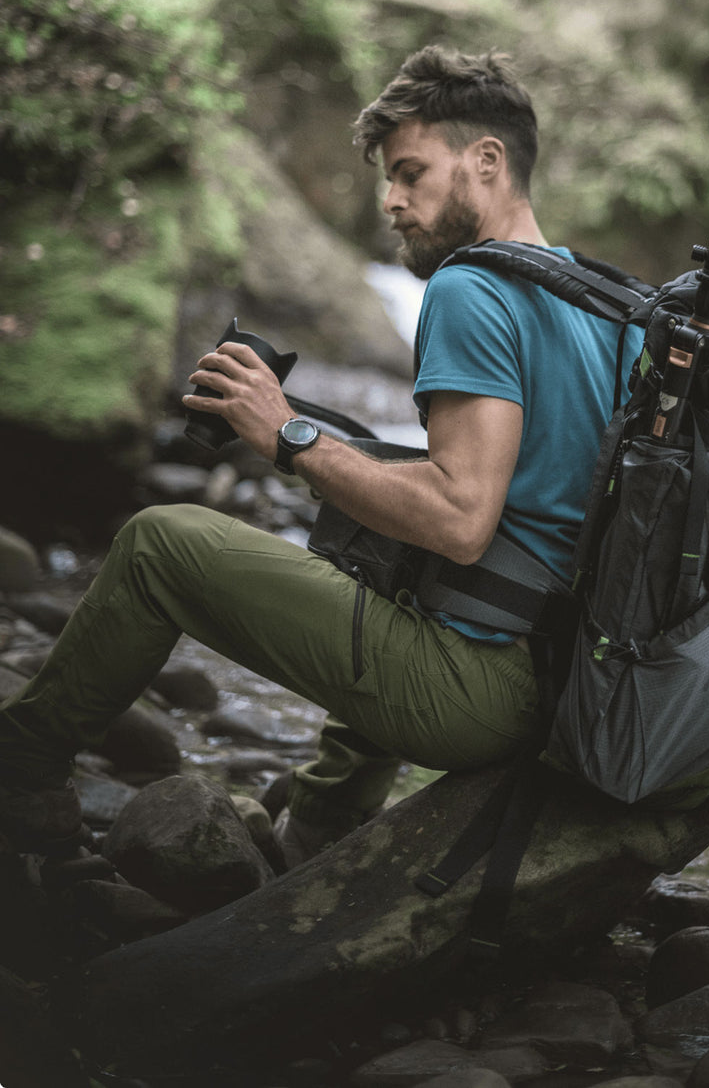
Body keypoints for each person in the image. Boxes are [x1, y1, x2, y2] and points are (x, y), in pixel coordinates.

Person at [0, 46, 644, 862]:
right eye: (388, 178)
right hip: (579, 688)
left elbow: (458, 519)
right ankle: (320, 820)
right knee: (376, 545)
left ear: (486, 160)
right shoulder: (605, 303)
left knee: (160, 543)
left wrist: (288, 435)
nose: (391, 200)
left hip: (482, 695)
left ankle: (18, 767)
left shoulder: (469, 287)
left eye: (410, 172)